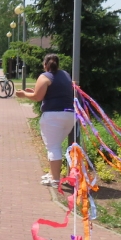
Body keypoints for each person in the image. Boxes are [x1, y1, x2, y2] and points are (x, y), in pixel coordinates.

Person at [16, 54, 74, 186]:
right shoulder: (65, 75)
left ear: (45, 65)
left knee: (53, 147)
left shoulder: (44, 77)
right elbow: (55, 92)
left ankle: (55, 179)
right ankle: (52, 173)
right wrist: (34, 91)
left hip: (53, 116)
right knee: (56, 145)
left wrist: (24, 94)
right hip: (70, 115)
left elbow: (37, 97)